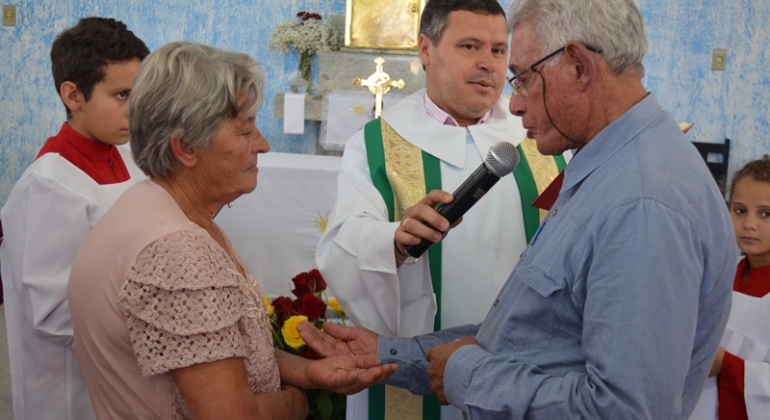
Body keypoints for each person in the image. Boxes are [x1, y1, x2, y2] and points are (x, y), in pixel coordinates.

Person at [299, 0, 738, 418]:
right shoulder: (601, 158)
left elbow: (623, 407)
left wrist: (464, 373)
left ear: (579, 66)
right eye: (471, 47)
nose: (514, 102)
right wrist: (392, 348)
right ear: (426, 50)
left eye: (521, 75)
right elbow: (542, 330)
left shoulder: (641, 200)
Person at [66, 41, 396, 420]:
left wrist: (307, 372)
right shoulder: (177, 251)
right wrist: (296, 403)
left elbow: (209, 352)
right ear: (186, 147)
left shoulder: (153, 207)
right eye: (245, 131)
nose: (264, 144)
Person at [0, 17, 149, 420]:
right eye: (121, 95)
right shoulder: (50, 184)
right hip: (73, 375)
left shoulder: (129, 159)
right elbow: (50, 308)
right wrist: (149, 324)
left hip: (129, 356)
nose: (133, 110)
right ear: (73, 95)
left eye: (140, 93)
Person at [689, 156, 770, 420]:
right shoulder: (720, 272)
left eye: (766, 214)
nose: (750, 224)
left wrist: (727, 366)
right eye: (740, 210)